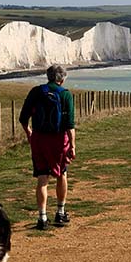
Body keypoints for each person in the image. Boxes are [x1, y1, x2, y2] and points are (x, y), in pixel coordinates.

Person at [19, 64, 76, 230]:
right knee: (61, 174)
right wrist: (72, 145)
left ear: (48, 76)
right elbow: (69, 124)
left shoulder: (36, 92)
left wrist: (29, 133)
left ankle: (42, 218)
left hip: (39, 139)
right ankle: (60, 212)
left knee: (42, 179)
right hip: (58, 140)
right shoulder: (65, 94)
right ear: (62, 79)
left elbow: (23, 117)